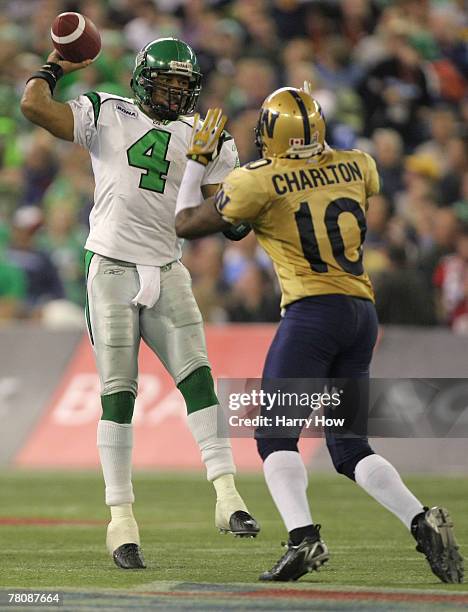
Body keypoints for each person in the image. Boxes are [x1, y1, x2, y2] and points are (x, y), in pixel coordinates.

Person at [174, 88, 464, 583]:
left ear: (274, 135)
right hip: (360, 312)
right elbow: (306, 193)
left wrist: (197, 165)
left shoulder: (257, 181)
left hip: (312, 315)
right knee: (350, 448)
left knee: (274, 436)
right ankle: (421, 522)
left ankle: (302, 539)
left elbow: (185, 223)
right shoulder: (358, 165)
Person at [20, 37, 259, 570]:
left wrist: (237, 215)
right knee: (118, 392)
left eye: (182, 84)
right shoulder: (107, 110)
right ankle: (121, 521)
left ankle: (228, 497)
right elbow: (34, 105)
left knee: (198, 376)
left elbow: (221, 217)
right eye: (166, 82)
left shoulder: (209, 136)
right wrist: (56, 65)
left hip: (166, 266)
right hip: (109, 266)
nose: (175, 93)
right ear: (143, 81)